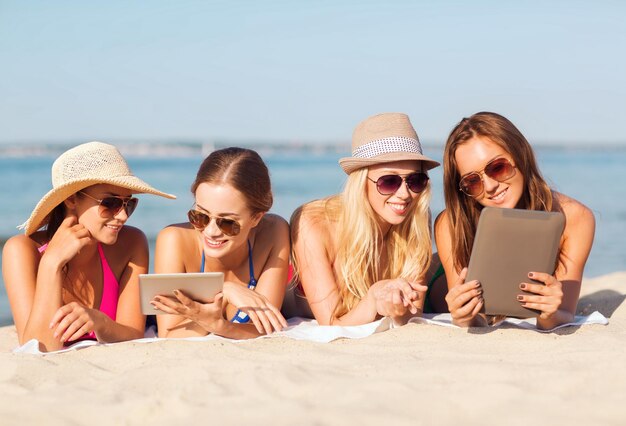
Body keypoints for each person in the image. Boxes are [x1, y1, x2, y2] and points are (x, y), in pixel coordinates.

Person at [2, 141, 176, 351]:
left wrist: (99, 321)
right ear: (71, 199)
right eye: (110, 203)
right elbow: (39, 347)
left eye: (128, 204)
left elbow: (134, 333)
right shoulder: (22, 251)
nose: (122, 216)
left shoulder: (132, 243)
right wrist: (51, 263)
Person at [435, 112, 595, 329]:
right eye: (472, 181)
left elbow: (565, 313)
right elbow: (473, 319)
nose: (490, 186)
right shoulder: (451, 224)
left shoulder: (575, 218)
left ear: (520, 154)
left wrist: (550, 314)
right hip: (431, 286)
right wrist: (465, 316)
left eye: (497, 167)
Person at [289, 113, 440, 326]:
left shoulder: (416, 220)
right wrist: (373, 299)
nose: (405, 194)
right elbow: (331, 323)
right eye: (389, 181)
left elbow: (411, 316)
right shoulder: (314, 222)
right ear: (362, 182)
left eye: (416, 180)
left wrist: (395, 308)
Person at [151, 147, 290, 339]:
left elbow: (266, 329)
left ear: (256, 217)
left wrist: (218, 326)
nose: (211, 231)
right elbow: (169, 335)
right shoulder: (174, 241)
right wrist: (224, 288)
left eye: (227, 223)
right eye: (200, 216)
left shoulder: (273, 233)